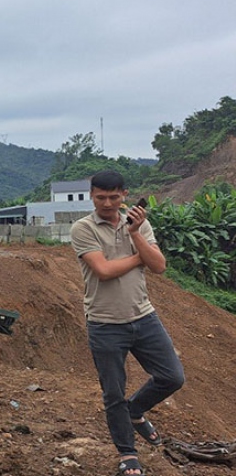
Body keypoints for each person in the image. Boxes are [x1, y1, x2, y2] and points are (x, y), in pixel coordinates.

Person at [70, 170, 184, 476]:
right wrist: (140, 257)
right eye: (101, 197)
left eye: (114, 196)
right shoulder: (83, 228)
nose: (107, 203)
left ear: (124, 195)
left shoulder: (139, 225)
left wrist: (135, 234)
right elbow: (104, 271)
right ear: (91, 195)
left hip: (143, 316)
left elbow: (159, 266)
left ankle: (136, 410)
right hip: (105, 324)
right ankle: (127, 454)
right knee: (113, 392)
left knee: (172, 377)